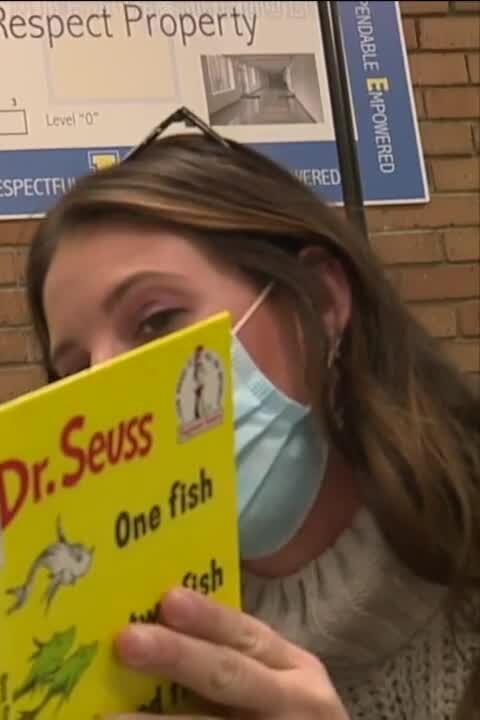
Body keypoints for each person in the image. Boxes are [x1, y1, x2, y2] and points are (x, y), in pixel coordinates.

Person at [25, 108, 480, 719]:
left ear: (318, 300)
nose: (112, 399)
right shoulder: (126, 661)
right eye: (76, 373)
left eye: (157, 322)